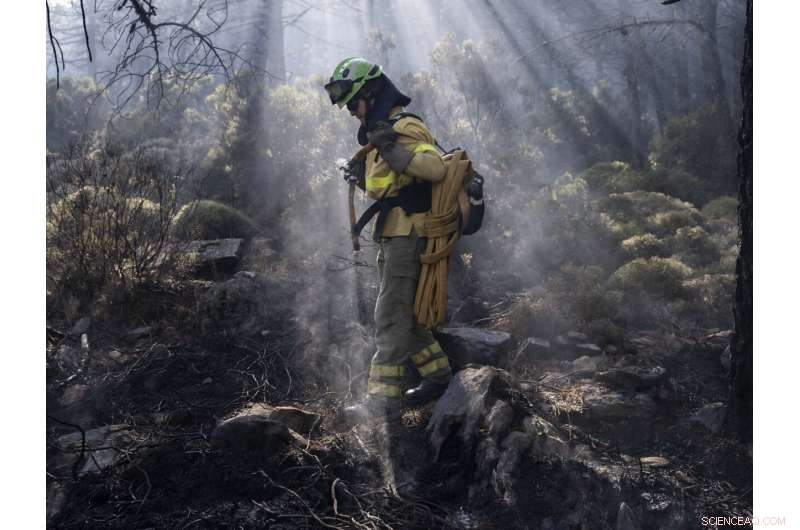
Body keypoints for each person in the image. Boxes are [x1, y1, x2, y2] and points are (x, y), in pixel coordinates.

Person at [324, 57, 456, 424]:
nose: (351, 112)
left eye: (354, 103)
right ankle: (438, 378)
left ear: (371, 93)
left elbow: (435, 168)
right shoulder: (384, 132)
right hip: (392, 235)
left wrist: (391, 148)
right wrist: (360, 175)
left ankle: (382, 401)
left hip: (409, 236)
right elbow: (388, 189)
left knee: (389, 316)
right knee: (407, 315)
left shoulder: (406, 127)